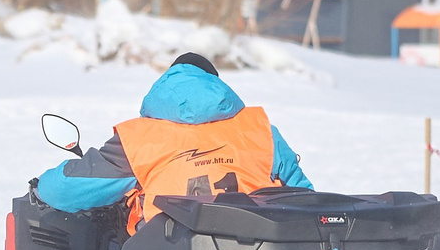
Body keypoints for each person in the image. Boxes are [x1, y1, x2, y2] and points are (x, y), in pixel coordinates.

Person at [35, 51, 313, 227]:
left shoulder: (140, 140)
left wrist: (39, 188)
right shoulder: (261, 131)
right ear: (217, 87)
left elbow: (62, 190)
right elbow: (304, 199)